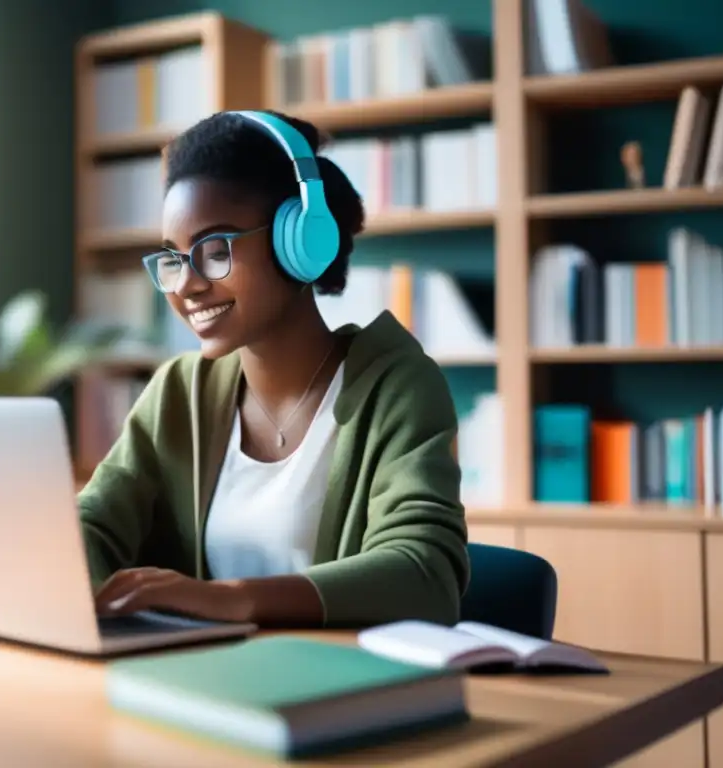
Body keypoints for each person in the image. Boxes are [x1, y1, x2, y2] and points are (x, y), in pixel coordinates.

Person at [79, 109, 469, 629]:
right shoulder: (179, 392)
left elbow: (425, 574)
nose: (187, 285)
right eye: (173, 259)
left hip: (337, 690)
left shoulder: (396, 387)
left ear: (299, 242)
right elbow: (92, 525)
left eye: (214, 251)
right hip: (201, 682)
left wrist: (232, 599)